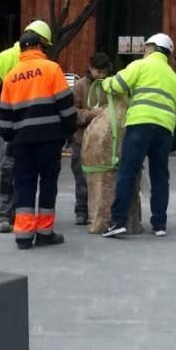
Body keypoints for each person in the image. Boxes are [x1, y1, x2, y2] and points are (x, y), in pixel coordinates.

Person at [0, 27, 77, 249]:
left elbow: (4, 116)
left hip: (22, 142)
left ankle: (23, 236)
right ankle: (44, 233)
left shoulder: (11, 76)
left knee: (24, 185)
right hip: (49, 140)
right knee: (48, 184)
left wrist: (10, 138)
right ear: (39, 47)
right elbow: (66, 107)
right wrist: (68, 130)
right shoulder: (52, 69)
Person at [101, 32, 176, 239]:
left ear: (152, 48)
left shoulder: (141, 65)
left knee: (127, 171)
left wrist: (103, 83)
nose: (144, 50)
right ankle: (159, 224)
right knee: (160, 176)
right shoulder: (174, 78)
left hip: (140, 124)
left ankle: (117, 221)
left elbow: (117, 84)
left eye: (146, 47)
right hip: (164, 130)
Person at [0, 20, 53, 233]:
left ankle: (18, 213)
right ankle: (4, 214)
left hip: (22, 124)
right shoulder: (7, 57)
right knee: (6, 168)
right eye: (44, 44)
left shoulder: (41, 61)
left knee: (19, 169)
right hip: (10, 124)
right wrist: (12, 90)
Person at [71, 52, 112, 225]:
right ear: (90, 68)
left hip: (104, 139)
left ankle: (99, 209)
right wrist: (88, 115)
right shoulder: (80, 85)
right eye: (98, 72)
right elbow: (72, 111)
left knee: (103, 176)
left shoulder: (111, 85)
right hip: (82, 137)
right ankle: (81, 208)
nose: (101, 76)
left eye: (104, 72)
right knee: (81, 174)